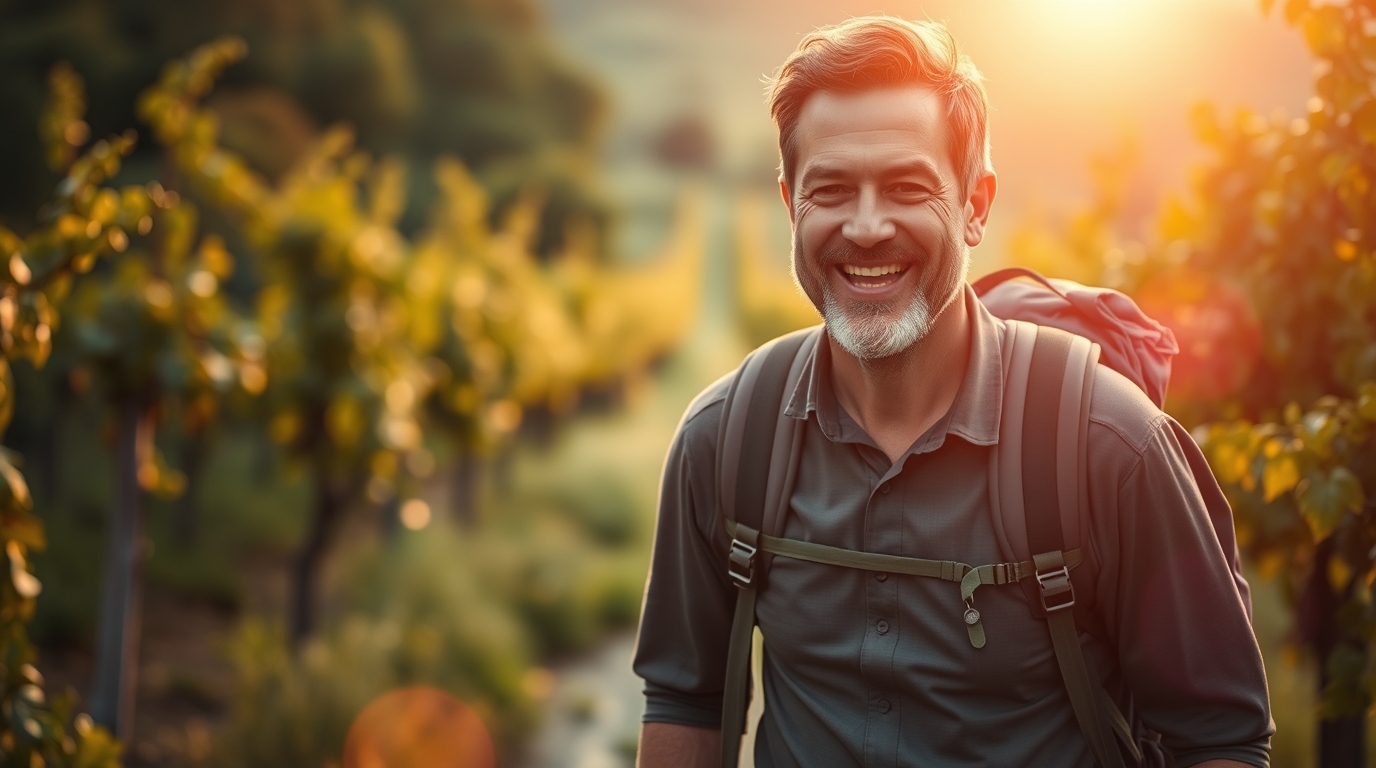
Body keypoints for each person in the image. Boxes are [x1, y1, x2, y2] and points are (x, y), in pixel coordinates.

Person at [632, 15, 1273, 768]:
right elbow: (685, 698)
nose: (866, 227)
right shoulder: (726, 439)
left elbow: (1219, 739)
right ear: (789, 204)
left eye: (907, 187)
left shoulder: (1112, 448)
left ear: (974, 204)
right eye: (831, 189)